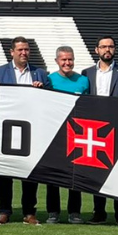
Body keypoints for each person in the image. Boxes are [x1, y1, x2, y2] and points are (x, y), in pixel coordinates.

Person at [0, 37, 48, 225]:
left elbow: (51, 101)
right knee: (4, 172)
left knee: (30, 172)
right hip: (6, 128)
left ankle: (29, 212)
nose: (24, 53)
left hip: (32, 129)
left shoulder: (40, 74)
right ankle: (4, 210)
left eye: (27, 50)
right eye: (20, 50)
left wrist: (42, 90)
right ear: (12, 52)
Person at [82, 35, 118, 224]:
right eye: (103, 47)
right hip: (95, 130)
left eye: (111, 46)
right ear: (96, 50)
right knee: (97, 172)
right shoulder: (86, 73)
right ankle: (99, 212)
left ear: (115, 49)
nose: (107, 50)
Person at [45, 45, 90, 224]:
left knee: (75, 174)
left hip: (76, 133)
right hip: (54, 133)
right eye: (63, 59)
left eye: (70, 59)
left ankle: (74, 213)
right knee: (52, 175)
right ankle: (53, 212)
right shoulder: (49, 80)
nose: (67, 62)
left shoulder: (84, 81)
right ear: (57, 61)